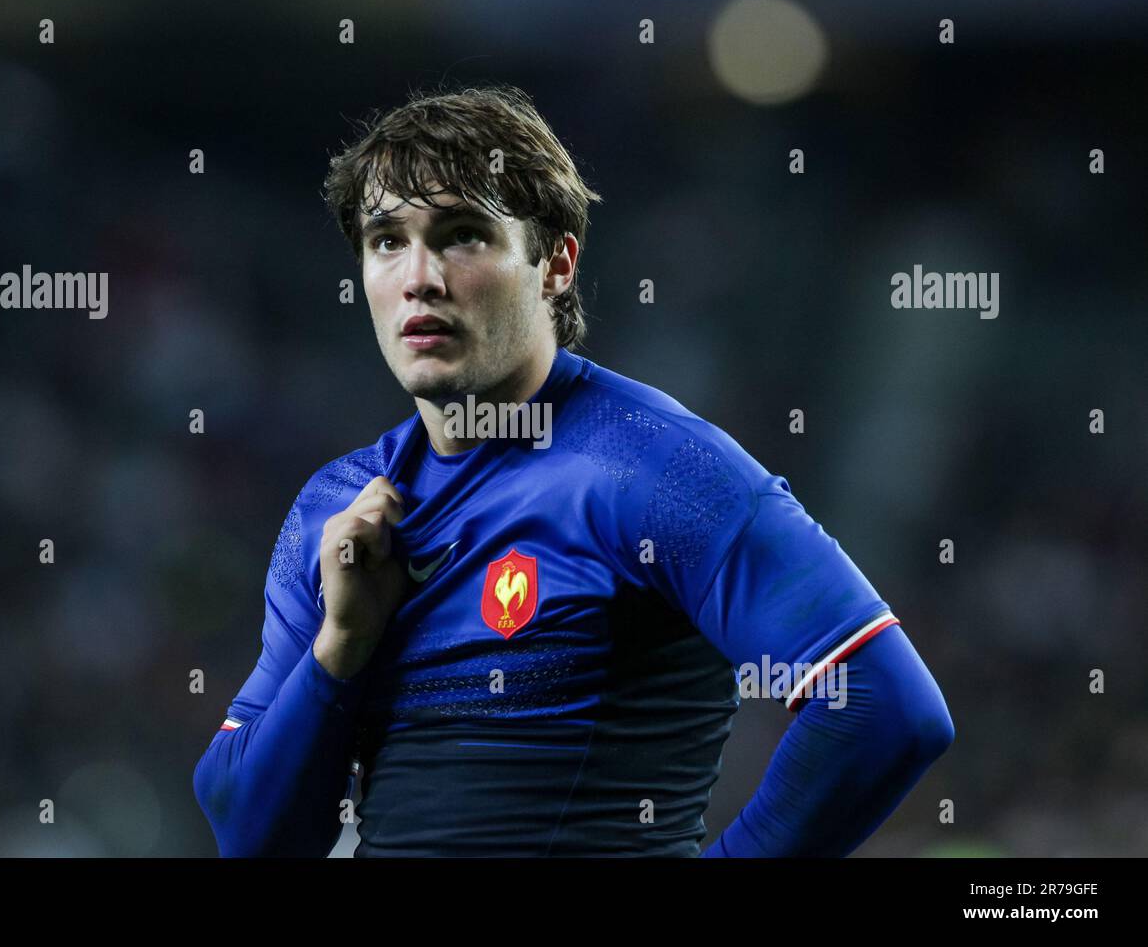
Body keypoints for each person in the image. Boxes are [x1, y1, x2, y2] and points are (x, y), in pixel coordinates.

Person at [193, 84, 954, 857]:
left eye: (462, 234)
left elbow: (882, 709)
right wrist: (341, 646)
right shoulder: (336, 507)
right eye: (388, 240)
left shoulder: (654, 468)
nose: (419, 276)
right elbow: (254, 836)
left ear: (555, 264)